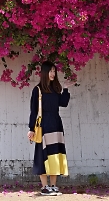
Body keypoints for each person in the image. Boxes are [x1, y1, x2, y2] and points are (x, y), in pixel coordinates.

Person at [27, 61, 70, 196]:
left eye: (54, 71)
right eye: (50, 71)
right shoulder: (38, 90)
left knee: (55, 155)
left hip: (56, 125)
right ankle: (45, 187)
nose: (53, 74)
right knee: (43, 155)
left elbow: (63, 103)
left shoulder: (56, 89)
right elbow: (33, 111)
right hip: (44, 126)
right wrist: (31, 128)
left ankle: (53, 186)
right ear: (45, 73)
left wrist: (66, 89)